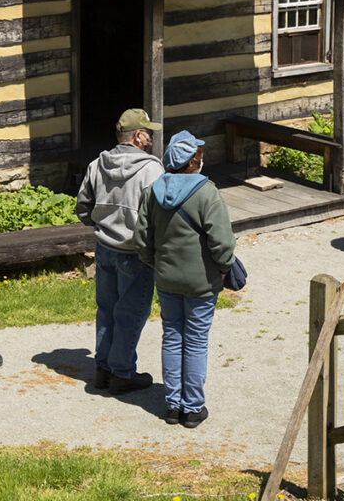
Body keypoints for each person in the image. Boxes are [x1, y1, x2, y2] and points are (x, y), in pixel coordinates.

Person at [134, 130, 236, 429]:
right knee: (196, 341)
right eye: (199, 156)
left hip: (166, 278)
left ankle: (172, 406)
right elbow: (222, 242)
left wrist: (158, 264)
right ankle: (192, 408)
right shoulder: (207, 192)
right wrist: (224, 267)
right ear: (193, 162)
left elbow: (142, 240)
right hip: (201, 281)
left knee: (172, 337)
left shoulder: (152, 192)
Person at [76, 108, 165, 394]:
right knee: (131, 313)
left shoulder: (97, 164)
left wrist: (102, 226)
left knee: (107, 310)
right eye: (148, 133)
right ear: (137, 136)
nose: (151, 138)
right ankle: (122, 373)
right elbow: (159, 215)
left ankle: (103, 369)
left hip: (104, 248)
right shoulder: (152, 170)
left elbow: (83, 207)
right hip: (135, 252)